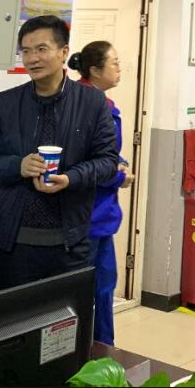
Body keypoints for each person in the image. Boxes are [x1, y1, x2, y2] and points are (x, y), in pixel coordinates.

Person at [0, 15, 118, 290]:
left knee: (65, 317)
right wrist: (18, 166)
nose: (32, 59)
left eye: (41, 49)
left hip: (70, 245)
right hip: (13, 245)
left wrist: (71, 178)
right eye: (26, 51)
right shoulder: (6, 103)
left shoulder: (92, 102)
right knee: (14, 315)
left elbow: (107, 162)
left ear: (63, 52)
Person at [69, 40, 134, 345]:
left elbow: (106, 152)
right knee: (87, 292)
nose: (120, 68)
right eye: (115, 63)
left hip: (101, 215)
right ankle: (90, 352)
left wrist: (119, 164)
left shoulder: (102, 103)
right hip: (88, 215)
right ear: (95, 70)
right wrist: (117, 175)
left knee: (104, 287)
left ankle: (104, 350)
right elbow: (83, 161)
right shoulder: (83, 105)